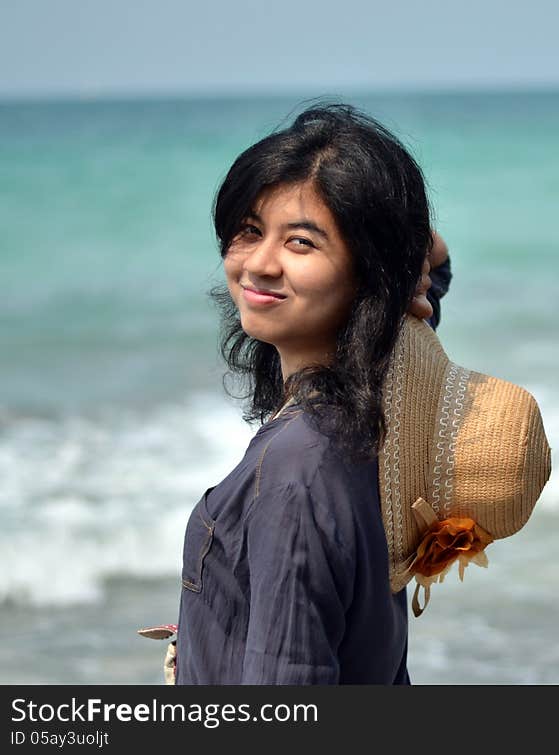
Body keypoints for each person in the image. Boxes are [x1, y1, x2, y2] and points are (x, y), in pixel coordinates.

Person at [172, 103, 451, 684]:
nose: (258, 265)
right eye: (249, 231)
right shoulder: (384, 390)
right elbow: (435, 270)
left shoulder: (296, 471)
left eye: (300, 243)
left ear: (370, 274)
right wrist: (405, 252)